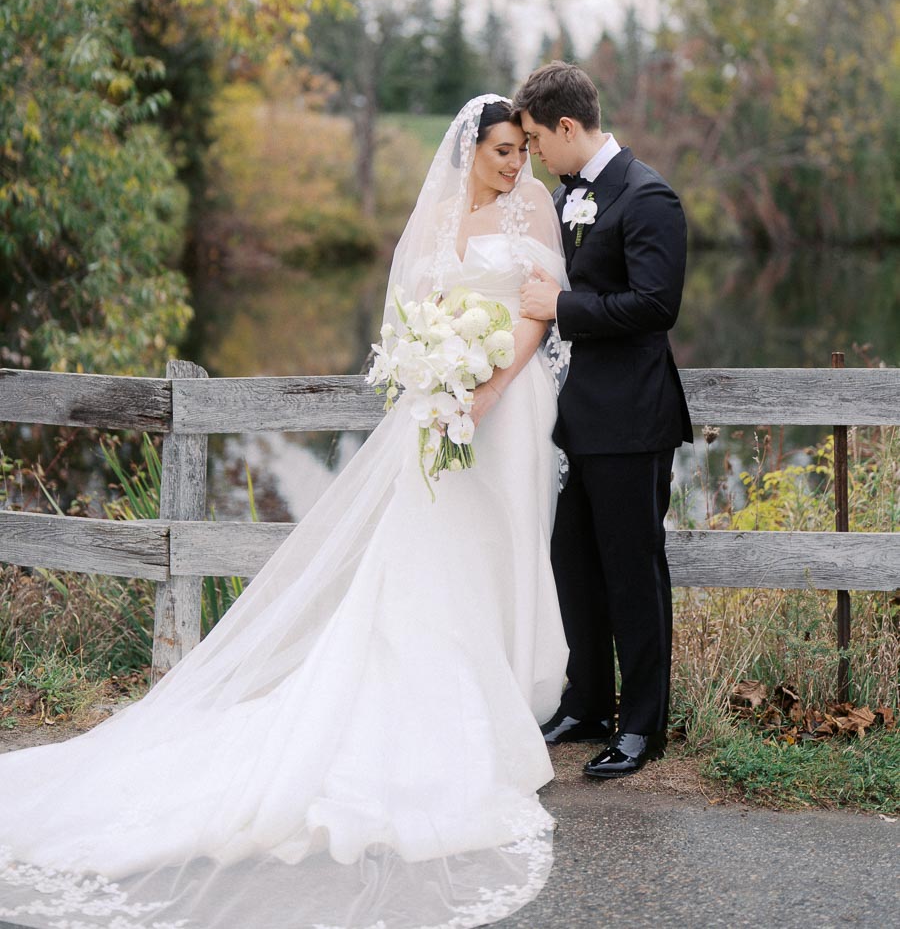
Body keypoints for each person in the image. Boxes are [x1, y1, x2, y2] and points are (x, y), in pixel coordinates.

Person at [0, 96, 570, 929]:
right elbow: (416, 316)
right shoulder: (440, 215)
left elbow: (537, 309)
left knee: (512, 539)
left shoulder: (537, 211)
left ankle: (516, 689)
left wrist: (485, 392)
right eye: (504, 151)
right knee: (440, 550)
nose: (516, 165)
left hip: (510, 407)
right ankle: (459, 699)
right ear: (470, 150)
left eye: (523, 151)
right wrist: (440, 376)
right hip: (444, 406)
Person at [514, 62, 693, 779]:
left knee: (633, 572)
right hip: (573, 421)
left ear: (566, 126)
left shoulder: (650, 198)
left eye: (534, 140)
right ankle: (587, 704)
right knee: (573, 566)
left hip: (631, 420)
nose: (533, 155)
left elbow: (655, 307)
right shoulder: (567, 198)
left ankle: (642, 726)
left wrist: (562, 309)